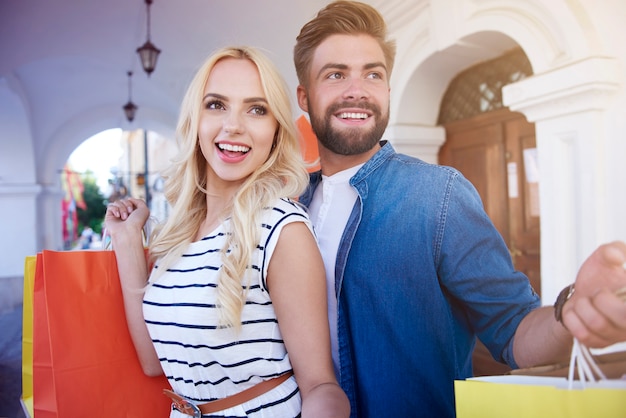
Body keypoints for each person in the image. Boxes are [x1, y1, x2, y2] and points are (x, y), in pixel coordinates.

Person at [292, 1, 626, 417]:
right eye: (336, 74)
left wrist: (569, 313)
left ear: (388, 90)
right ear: (305, 96)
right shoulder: (291, 210)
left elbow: (513, 329)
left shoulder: (438, 194)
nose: (357, 89)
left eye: (372, 74)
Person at [105, 46, 349, 418]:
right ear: (195, 120)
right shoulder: (179, 233)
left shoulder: (281, 228)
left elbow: (320, 385)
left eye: (256, 109)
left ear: (275, 131)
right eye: (217, 105)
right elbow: (155, 362)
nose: (233, 125)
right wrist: (126, 242)